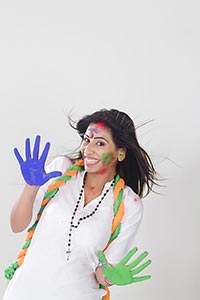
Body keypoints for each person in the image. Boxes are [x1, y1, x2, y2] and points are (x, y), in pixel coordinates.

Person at [3, 108, 157, 300]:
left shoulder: (130, 204)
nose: (88, 149)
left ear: (120, 154)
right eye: (86, 140)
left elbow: (101, 274)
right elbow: (17, 225)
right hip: (23, 293)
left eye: (99, 143)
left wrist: (112, 276)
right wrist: (31, 186)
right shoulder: (61, 169)